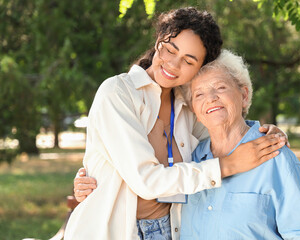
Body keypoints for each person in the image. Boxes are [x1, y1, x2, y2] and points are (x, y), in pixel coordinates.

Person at [65, 8, 287, 240]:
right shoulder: (118, 93)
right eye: (169, 49)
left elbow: (224, 133)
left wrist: (262, 133)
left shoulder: (188, 106)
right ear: (158, 40)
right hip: (114, 231)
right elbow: (145, 181)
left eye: (189, 61)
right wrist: (226, 166)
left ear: (199, 68)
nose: (172, 64)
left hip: (171, 230)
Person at [178, 49, 300, 239]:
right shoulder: (189, 160)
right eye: (199, 94)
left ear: (244, 95)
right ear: (194, 111)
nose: (210, 98)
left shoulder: (275, 156)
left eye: (220, 87)